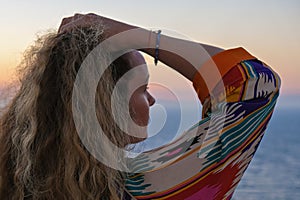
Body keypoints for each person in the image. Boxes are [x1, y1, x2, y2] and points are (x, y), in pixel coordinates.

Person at [0, 13, 280, 200]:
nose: (152, 99)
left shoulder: (11, 181)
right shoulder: (147, 189)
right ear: (106, 106)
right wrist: (143, 38)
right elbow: (254, 85)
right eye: (142, 89)